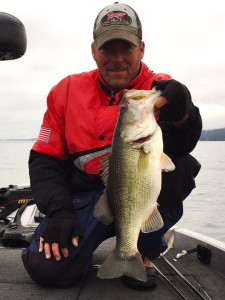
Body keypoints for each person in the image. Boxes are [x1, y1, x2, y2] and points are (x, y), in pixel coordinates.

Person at [22, 2, 202, 289]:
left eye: (126, 49)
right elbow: (45, 160)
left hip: (138, 195)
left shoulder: (159, 89)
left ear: (141, 49)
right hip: (85, 198)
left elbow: (184, 142)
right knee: (48, 271)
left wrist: (183, 114)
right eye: (108, 49)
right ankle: (83, 245)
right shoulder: (65, 92)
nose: (117, 59)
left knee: (181, 166)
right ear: (94, 51)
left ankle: (143, 250)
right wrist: (58, 210)